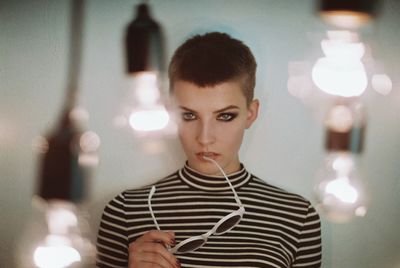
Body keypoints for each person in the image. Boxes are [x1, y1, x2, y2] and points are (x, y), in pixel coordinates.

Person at [96, 32, 322, 268]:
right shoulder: (125, 211)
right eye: (189, 115)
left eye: (225, 116)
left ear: (251, 114)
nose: (204, 138)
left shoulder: (297, 216)